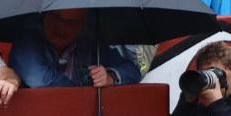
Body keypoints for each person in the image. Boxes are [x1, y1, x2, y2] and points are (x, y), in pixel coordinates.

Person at [7, 6, 141, 86]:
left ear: (82, 24)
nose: (61, 27)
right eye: (56, 17)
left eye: (71, 22)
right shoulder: (27, 40)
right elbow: (39, 81)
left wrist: (111, 77)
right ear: (45, 15)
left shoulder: (90, 43)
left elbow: (132, 71)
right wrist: (85, 91)